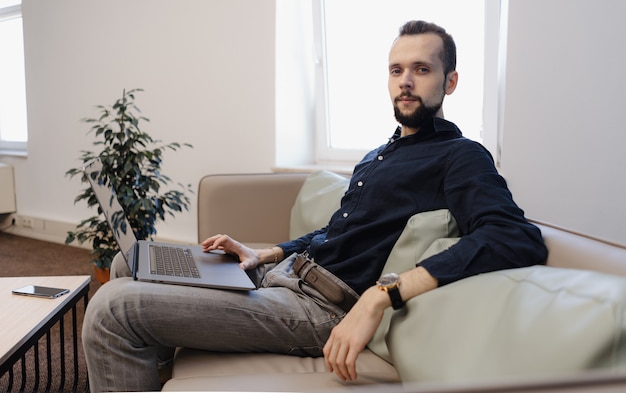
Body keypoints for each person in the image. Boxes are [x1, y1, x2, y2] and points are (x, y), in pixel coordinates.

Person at [82, 20, 548, 391]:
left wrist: (381, 294)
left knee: (112, 309)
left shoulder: (459, 155)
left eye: (421, 70)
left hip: (317, 312)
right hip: (280, 276)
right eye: (396, 70)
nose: (405, 82)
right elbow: (333, 232)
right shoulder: (379, 154)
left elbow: (513, 236)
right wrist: (264, 254)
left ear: (450, 81)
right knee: (130, 260)